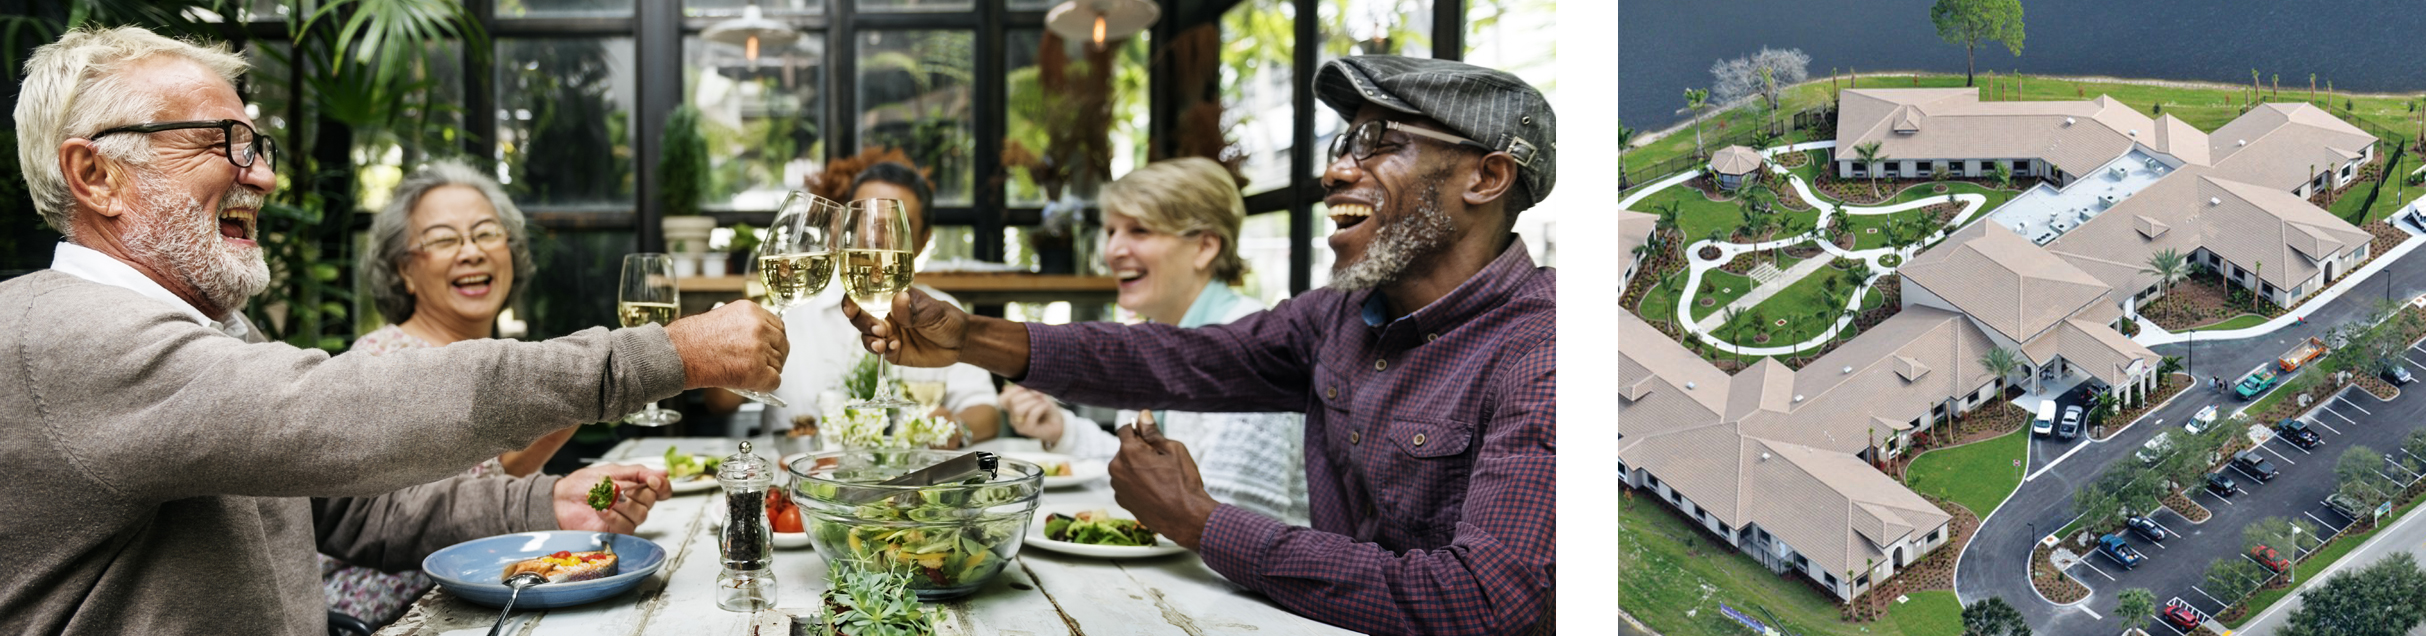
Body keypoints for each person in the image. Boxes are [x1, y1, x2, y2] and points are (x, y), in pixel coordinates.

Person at [0, 26, 787, 635]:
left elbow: (355, 512)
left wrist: (548, 506)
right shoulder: (65, 337)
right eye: (222, 142)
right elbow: (342, 411)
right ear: (96, 175)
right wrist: (666, 354)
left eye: (259, 145)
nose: (264, 175)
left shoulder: (207, 330)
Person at [847, 55, 1554, 635]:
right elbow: (1171, 358)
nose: (1336, 172)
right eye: (1344, 146)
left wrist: (1200, 521)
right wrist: (970, 337)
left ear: (1486, 177)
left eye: (1381, 144)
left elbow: (1484, 603)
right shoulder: (1336, 318)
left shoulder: (1542, 352)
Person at [313, 160, 570, 626]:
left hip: (481, 603)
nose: (470, 252)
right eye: (444, 240)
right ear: (405, 272)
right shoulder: (384, 360)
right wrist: (580, 394)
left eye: (486, 233)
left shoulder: (506, 357)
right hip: (386, 617)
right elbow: (449, 506)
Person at [996, 157, 1308, 525]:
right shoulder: (1161, 335)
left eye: (1139, 231)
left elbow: (1232, 522)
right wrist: (1060, 429)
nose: (1112, 251)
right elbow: (1144, 473)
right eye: (1111, 231)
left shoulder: (1247, 346)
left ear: (1205, 247)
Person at [766, 161, 1000, 443]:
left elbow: (988, 412)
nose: (877, 237)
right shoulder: (795, 302)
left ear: (924, 240)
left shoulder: (942, 314)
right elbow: (721, 402)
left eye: (894, 223)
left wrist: (956, 429)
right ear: (841, 226)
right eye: (865, 220)